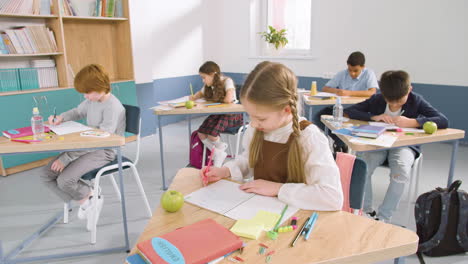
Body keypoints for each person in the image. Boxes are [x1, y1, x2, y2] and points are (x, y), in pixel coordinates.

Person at [200, 61, 343, 211]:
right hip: (260, 213)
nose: (253, 124)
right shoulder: (257, 130)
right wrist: (226, 171)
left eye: (261, 118)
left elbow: (332, 197)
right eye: (250, 116)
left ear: (286, 110)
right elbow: (248, 160)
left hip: (298, 218)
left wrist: (278, 189)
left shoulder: (309, 137)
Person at [345, 70, 449, 222]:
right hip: (377, 144)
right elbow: (349, 111)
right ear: (383, 93)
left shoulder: (416, 101)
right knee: (362, 166)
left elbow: (443, 120)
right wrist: (374, 117)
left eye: (399, 100)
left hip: (404, 146)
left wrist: (414, 122)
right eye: (389, 100)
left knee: (401, 172)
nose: (393, 104)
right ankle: (366, 211)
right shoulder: (377, 99)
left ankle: (384, 217)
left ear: (409, 90)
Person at [40, 64, 125, 229]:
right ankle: (88, 198)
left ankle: (88, 198)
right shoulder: (93, 100)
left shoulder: (112, 107)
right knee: (46, 175)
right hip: (88, 145)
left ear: (100, 87)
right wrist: (61, 118)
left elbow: (100, 140)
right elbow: (77, 112)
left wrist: (67, 158)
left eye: (87, 92)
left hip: (104, 150)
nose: (85, 96)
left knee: (65, 180)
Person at [314, 51, 379, 153]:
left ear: (363, 67)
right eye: (350, 70)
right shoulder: (342, 74)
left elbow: (372, 92)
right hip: (341, 107)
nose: (352, 73)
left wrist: (349, 92)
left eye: (355, 71)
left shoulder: (369, 74)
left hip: (359, 110)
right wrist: (337, 91)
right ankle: (340, 141)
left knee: (342, 121)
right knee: (319, 117)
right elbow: (325, 88)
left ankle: (341, 144)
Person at [190, 61, 243, 166]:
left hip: (232, 114)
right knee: (201, 132)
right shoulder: (208, 86)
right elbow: (199, 94)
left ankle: (218, 155)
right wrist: (193, 97)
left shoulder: (227, 81)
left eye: (204, 77)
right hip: (219, 113)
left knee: (212, 133)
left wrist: (215, 98)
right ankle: (219, 151)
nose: (203, 80)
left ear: (212, 75)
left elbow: (228, 99)